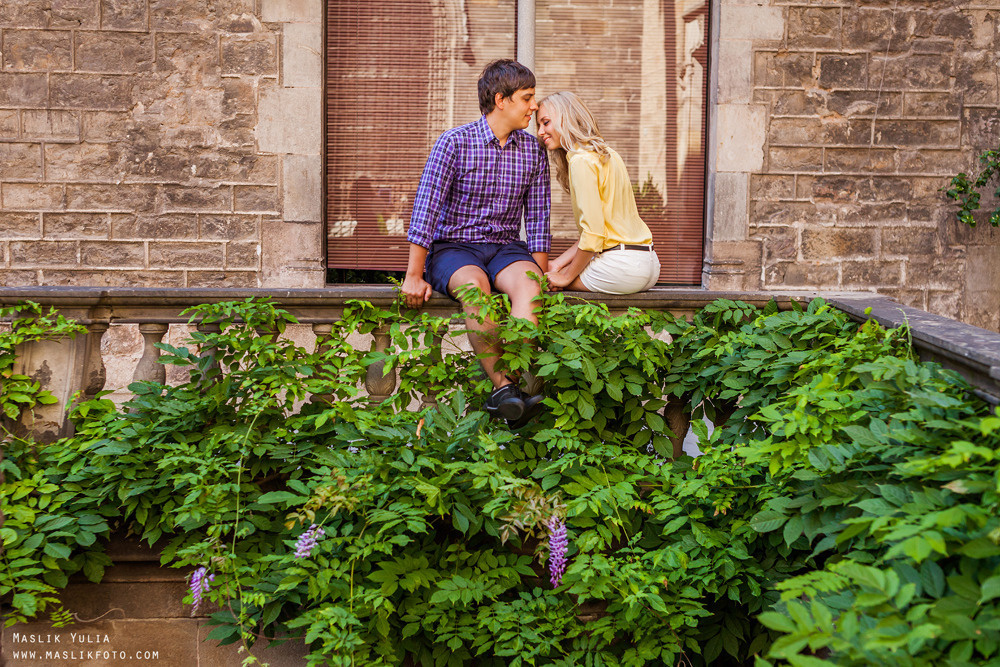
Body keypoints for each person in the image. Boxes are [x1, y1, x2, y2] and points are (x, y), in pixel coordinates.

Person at [402, 59, 551, 428]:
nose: (534, 106)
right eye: (527, 98)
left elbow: (538, 220)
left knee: (531, 286)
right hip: (455, 247)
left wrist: (544, 275)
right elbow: (426, 209)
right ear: (501, 100)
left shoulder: (533, 152)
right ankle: (505, 388)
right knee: (475, 288)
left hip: (504, 247)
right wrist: (413, 275)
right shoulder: (453, 143)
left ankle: (510, 390)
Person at [536, 91, 660, 294]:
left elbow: (593, 235)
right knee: (556, 276)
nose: (540, 132)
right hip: (649, 264)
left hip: (619, 267)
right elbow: (597, 231)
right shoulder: (608, 153)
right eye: (539, 125)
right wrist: (557, 265)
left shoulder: (580, 161)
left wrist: (565, 276)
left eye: (546, 122)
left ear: (566, 119)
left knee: (546, 286)